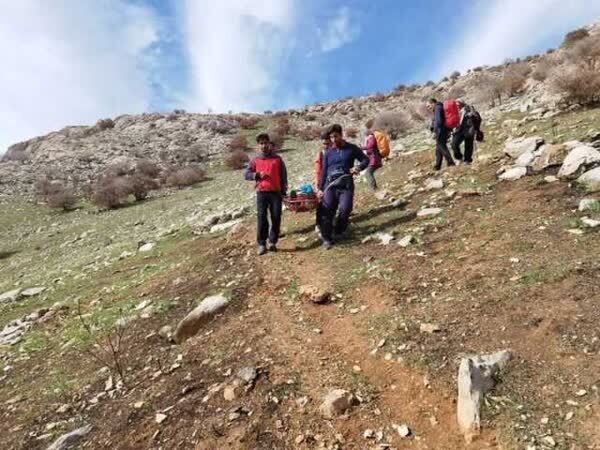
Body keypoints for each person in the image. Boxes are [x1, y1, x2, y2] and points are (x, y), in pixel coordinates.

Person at [317, 124, 369, 249]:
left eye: (336, 136)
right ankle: (326, 238)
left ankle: (338, 230)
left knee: (346, 209)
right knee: (327, 211)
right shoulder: (328, 153)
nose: (334, 140)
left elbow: (365, 160)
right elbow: (324, 171)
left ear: (341, 134)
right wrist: (320, 188)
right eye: (331, 137)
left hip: (346, 185)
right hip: (329, 186)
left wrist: (358, 167)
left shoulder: (351, 148)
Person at [245, 133, 288, 255]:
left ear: (269, 143)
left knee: (276, 217)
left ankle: (273, 241)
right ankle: (262, 244)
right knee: (262, 217)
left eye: (266, 143)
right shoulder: (255, 160)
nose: (264, 145)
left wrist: (284, 191)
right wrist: (256, 175)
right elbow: (246, 174)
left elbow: (283, 176)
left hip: (276, 192)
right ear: (258, 145)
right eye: (261, 143)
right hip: (262, 193)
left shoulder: (278, 159)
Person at [427, 98, 455, 171]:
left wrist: (434, 131)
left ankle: (451, 163)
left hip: (440, 130)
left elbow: (438, 121)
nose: (428, 108)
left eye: (429, 106)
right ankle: (437, 166)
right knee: (438, 148)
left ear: (433, 103)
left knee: (442, 146)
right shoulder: (439, 107)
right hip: (442, 130)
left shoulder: (437, 108)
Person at [451, 100, 482, 165]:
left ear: (462, 104)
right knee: (454, 144)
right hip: (458, 130)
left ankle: (467, 160)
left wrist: (476, 128)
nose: (457, 106)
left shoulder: (469, 109)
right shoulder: (455, 111)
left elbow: (478, 118)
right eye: (456, 105)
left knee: (468, 145)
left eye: (458, 104)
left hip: (469, 129)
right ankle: (459, 158)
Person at [314, 130, 330, 234]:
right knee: (321, 204)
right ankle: (318, 224)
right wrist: (317, 184)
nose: (326, 145)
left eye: (328, 143)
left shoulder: (336, 151)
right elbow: (317, 170)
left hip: (334, 181)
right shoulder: (320, 154)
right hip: (322, 182)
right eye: (324, 143)